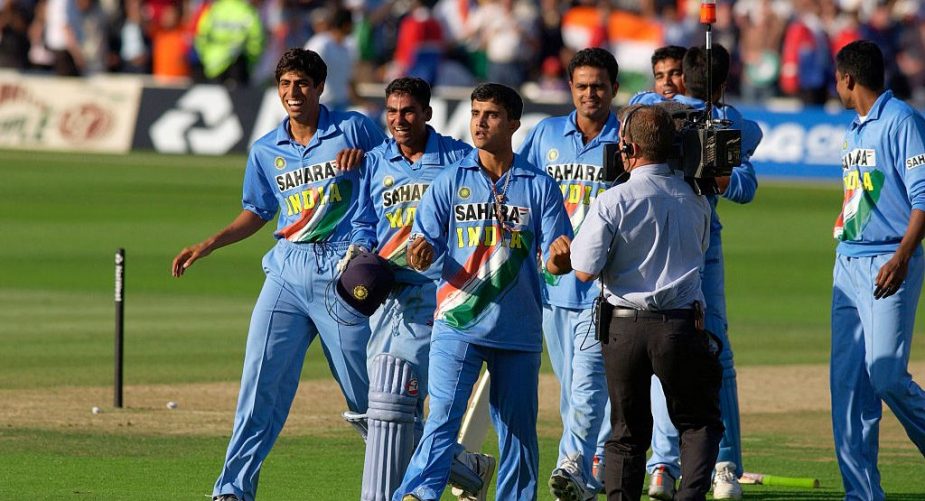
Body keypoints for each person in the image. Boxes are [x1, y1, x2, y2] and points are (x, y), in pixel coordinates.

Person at [171, 47, 386, 501]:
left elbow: (398, 173)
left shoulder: (354, 129)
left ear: (320, 87)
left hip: (343, 276)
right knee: (259, 388)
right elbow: (258, 210)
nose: (293, 93)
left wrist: (367, 162)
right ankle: (232, 490)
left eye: (302, 84)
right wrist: (209, 243)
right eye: (286, 84)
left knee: (368, 401)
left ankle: (458, 469)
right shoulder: (267, 149)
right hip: (286, 273)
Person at [393, 83, 573, 501]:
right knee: (441, 420)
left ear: (513, 123)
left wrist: (562, 258)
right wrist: (419, 255)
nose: (479, 122)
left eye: (490, 114)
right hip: (457, 323)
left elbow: (553, 261)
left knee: (519, 436)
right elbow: (423, 248)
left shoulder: (539, 186)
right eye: (475, 113)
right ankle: (418, 494)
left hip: (518, 328)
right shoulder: (449, 181)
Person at [559, 104, 722, 501]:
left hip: (623, 328)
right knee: (698, 423)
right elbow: (699, 249)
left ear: (628, 148)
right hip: (682, 326)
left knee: (626, 434)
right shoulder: (695, 199)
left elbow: (582, 269)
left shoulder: (613, 200)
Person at [347, 77, 489, 500]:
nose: (399, 120)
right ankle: (466, 468)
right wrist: (358, 249)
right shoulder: (376, 160)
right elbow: (364, 219)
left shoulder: (459, 158)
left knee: (399, 403)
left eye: (408, 111)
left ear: (428, 113)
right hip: (388, 294)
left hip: (439, 291)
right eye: (392, 111)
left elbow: (476, 221)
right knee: (393, 407)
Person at [631, 43, 761, 501]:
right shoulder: (652, 109)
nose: (668, 84)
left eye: (675, 76)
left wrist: (718, 161)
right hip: (663, 243)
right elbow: (640, 109)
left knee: (709, 350)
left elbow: (745, 182)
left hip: (703, 243)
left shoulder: (725, 122)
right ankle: (664, 464)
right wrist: (700, 114)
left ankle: (723, 463)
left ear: (685, 78)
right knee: (668, 350)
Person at [517, 46, 619, 500]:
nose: (590, 94)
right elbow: (522, 191)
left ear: (614, 89)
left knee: (585, 388)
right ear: (571, 89)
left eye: (598, 85)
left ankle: (571, 467)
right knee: (570, 391)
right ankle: (592, 471)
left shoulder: (627, 138)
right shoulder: (546, 134)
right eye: (582, 86)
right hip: (552, 287)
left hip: (602, 286)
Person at [830, 39, 925, 501]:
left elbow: (924, 197)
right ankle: (861, 495)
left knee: (885, 375)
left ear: (848, 79)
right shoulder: (855, 129)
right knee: (848, 390)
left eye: (837, 78)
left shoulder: (902, 121)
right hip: (847, 263)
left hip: (890, 261)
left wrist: (902, 256)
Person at [193, 0, 265, 87]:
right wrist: (250, 62)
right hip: (237, 66)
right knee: (240, 99)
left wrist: (206, 58)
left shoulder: (214, 10)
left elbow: (201, 37)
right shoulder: (247, 11)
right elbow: (256, 40)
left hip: (211, 66)